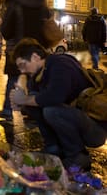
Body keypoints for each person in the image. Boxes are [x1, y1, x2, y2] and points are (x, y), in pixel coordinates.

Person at [9, 38, 107, 171]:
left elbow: (54, 96)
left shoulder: (60, 63)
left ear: (35, 57)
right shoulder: (39, 74)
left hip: (95, 129)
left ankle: (77, 156)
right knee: (35, 105)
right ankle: (53, 149)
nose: (22, 71)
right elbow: (34, 100)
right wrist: (20, 103)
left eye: (23, 65)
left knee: (51, 110)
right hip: (77, 119)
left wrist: (24, 100)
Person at [0, 0, 51, 120]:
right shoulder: (40, 2)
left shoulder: (14, 3)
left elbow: (6, 31)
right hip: (38, 49)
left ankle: (8, 110)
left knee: (13, 79)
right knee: (36, 80)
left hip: (18, 49)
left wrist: (1, 24)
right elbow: (47, 21)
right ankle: (32, 111)